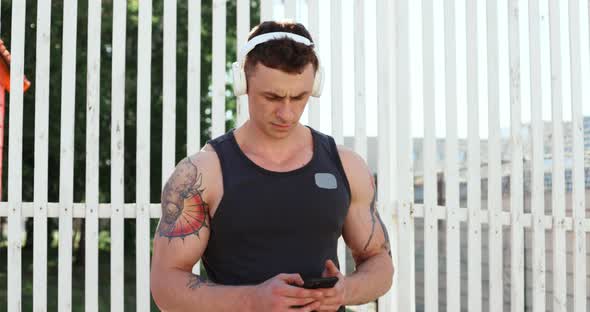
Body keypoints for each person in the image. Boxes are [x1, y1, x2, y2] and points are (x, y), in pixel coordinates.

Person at [150, 20, 393, 312]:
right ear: (243, 83)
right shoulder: (202, 173)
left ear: (314, 86)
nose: (286, 113)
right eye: (272, 97)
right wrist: (254, 300)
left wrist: (345, 290)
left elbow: (380, 263)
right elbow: (166, 285)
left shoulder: (346, 166)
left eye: (299, 97)